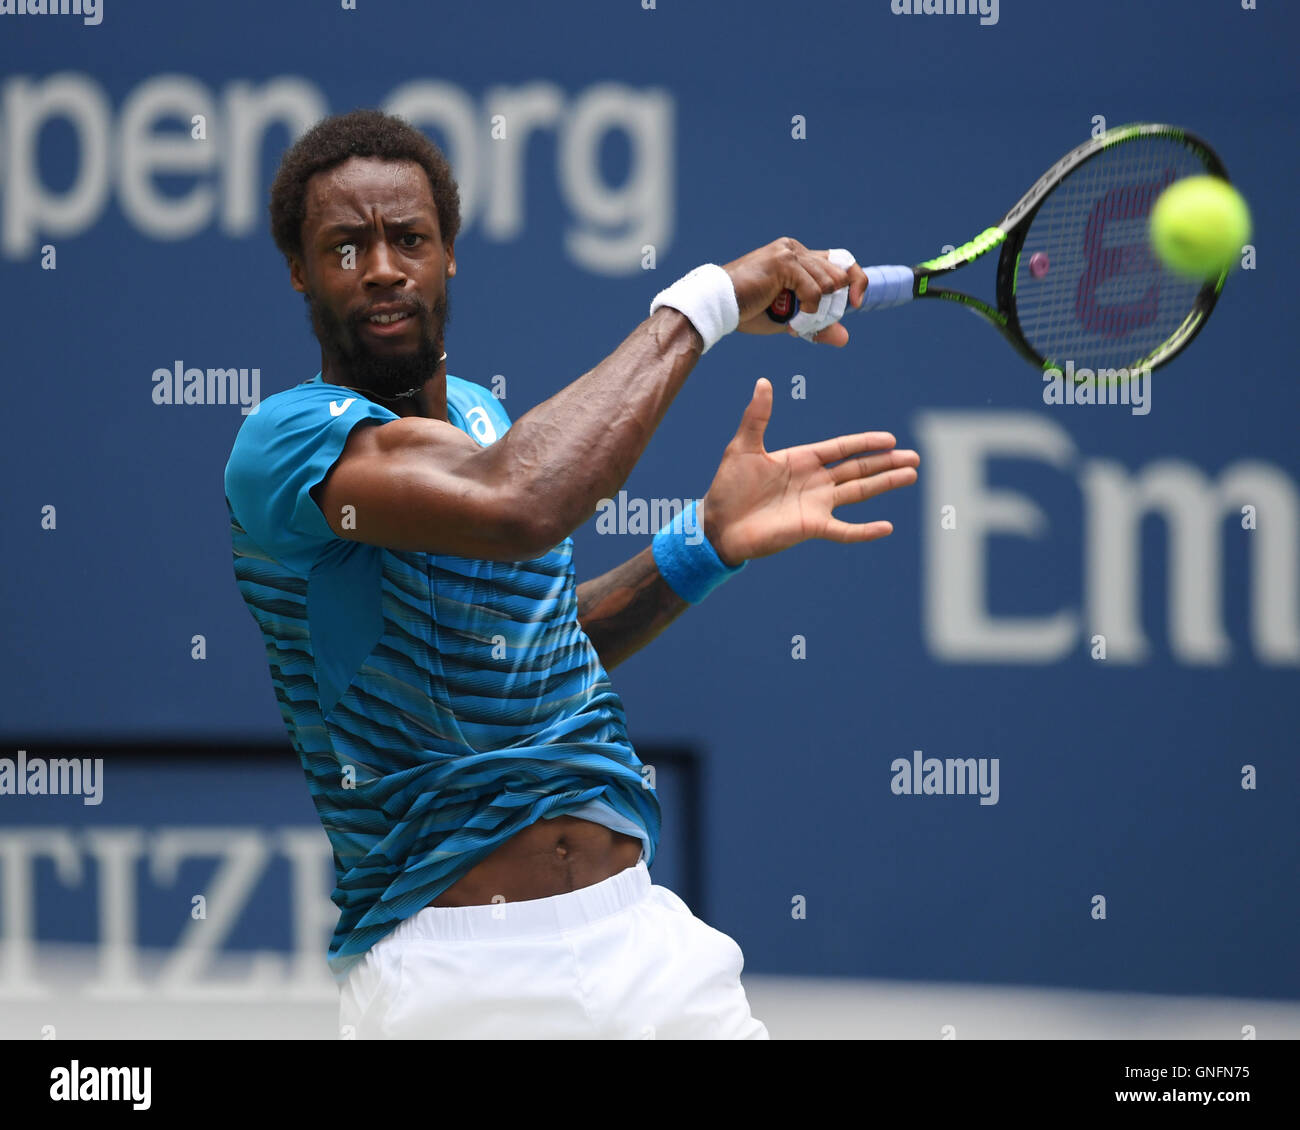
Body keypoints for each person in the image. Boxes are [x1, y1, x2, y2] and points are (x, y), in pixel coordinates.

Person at [224, 109, 919, 1039]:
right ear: (301, 273)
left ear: (449, 256)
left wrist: (701, 545)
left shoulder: (482, 419)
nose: (383, 266)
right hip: (455, 972)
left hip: (644, 943)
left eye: (410, 239)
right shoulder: (284, 444)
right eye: (346, 246)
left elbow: (538, 655)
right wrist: (706, 302)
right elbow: (522, 505)